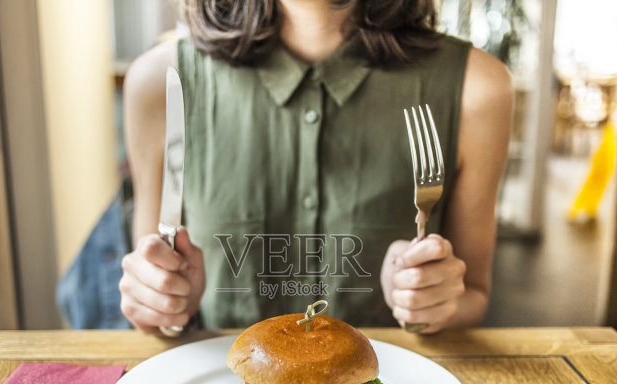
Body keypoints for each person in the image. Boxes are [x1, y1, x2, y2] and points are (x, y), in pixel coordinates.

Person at [118, 0, 513, 335]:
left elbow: (473, 296)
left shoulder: (478, 89)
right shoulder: (160, 84)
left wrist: (428, 303)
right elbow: (153, 303)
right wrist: (166, 300)